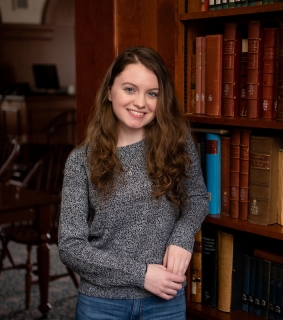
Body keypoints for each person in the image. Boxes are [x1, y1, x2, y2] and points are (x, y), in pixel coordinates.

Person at [58, 46, 209, 320]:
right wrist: (142, 275)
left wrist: (182, 238)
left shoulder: (176, 142)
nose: (141, 102)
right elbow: (70, 247)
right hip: (101, 304)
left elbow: (198, 198)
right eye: (130, 89)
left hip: (165, 300)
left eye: (152, 93)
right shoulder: (81, 161)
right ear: (109, 92)